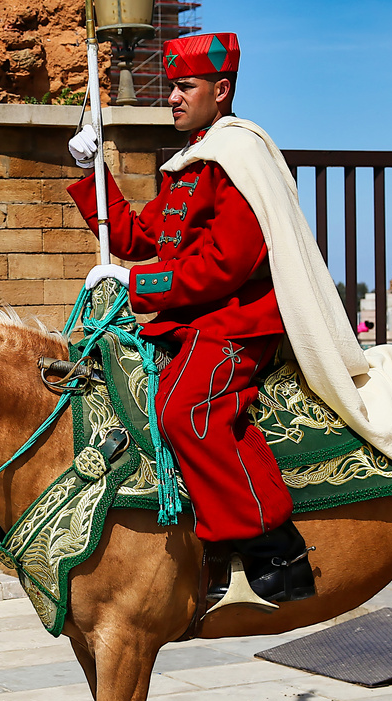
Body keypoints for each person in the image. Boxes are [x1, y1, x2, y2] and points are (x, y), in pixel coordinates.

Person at [62, 32, 314, 608]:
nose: (172, 97)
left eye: (185, 86)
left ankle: (268, 545)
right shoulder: (192, 165)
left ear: (221, 91)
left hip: (236, 324)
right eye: (172, 86)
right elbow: (136, 236)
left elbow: (228, 266)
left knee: (185, 409)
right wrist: (92, 171)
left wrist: (137, 283)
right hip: (194, 320)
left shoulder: (237, 158)